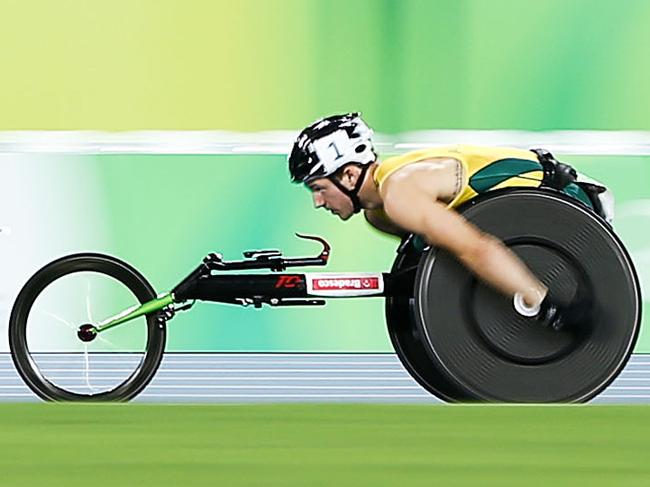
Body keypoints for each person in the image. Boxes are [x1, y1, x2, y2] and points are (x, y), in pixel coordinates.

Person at [288, 113, 613, 329]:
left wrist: (545, 307)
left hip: (568, 201)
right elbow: (441, 265)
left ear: (348, 173)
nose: (318, 202)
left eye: (318, 188)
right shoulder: (378, 213)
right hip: (525, 215)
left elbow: (475, 248)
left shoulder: (400, 193)